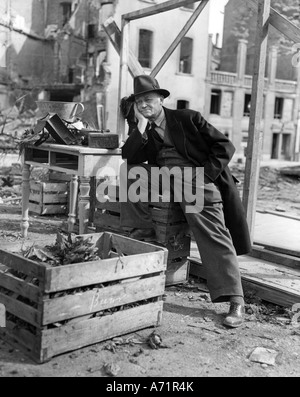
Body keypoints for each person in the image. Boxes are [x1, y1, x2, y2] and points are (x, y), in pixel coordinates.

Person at [119, 75, 251, 328]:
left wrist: (205, 175)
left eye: (148, 100)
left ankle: (235, 298)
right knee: (130, 172)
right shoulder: (143, 126)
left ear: (161, 99)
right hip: (166, 178)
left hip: (194, 178)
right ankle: (143, 236)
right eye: (139, 102)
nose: (144, 105)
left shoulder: (186, 118)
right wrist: (140, 128)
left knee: (212, 233)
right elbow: (130, 155)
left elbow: (225, 146)